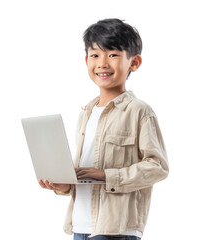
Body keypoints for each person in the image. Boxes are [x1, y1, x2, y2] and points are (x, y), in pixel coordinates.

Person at [38, 18, 169, 240]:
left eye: (113, 55)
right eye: (95, 55)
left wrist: (107, 175)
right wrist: (64, 184)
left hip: (115, 229)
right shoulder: (86, 113)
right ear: (86, 60)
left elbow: (158, 166)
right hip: (79, 226)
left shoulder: (138, 111)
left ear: (134, 62)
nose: (102, 63)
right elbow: (87, 173)